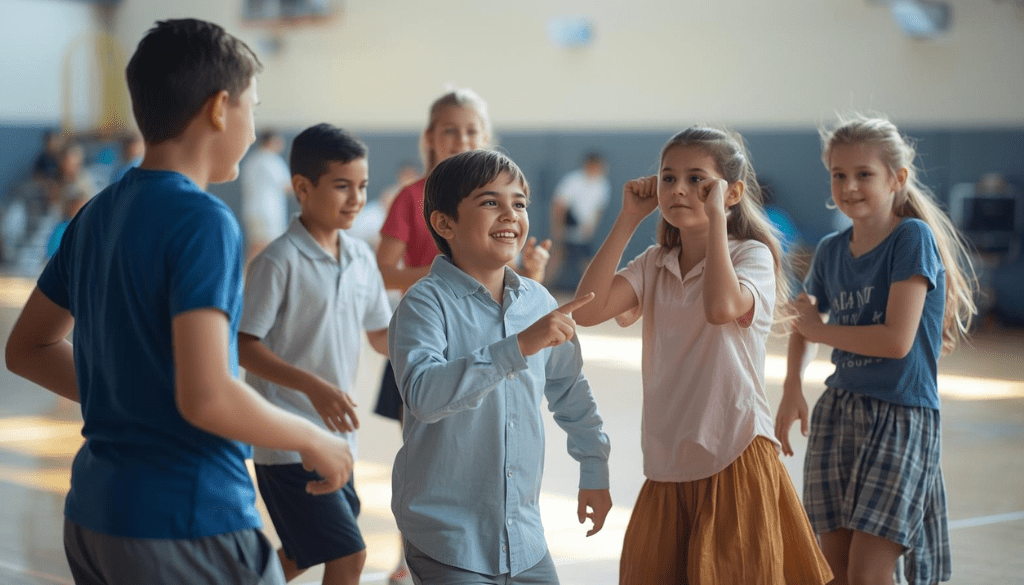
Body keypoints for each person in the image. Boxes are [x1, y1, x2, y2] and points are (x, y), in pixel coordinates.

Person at [4, 18, 354, 584]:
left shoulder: (97, 214)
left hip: (95, 516)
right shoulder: (203, 220)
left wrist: (128, 398)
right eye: (251, 108)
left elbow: (27, 348)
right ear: (219, 109)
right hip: (187, 519)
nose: (252, 127)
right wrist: (313, 437)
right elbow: (208, 396)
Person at [573, 127, 833, 584]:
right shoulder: (654, 263)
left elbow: (720, 309)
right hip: (667, 461)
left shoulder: (751, 256)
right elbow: (587, 310)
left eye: (697, 180)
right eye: (668, 178)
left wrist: (715, 221)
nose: (679, 189)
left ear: (731, 193)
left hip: (733, 452)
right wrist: (628, 219)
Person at [389, 149, 611, 584]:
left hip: (523, 536)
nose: (511, 214)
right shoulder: (424, 303)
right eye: (491, 202)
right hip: (447, 538)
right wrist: (518, 346)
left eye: (520, 203)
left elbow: (571, 391)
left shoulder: (538, 302)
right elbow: (424, 395)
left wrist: (594, 467)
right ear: (444, 223)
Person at [774, 115, 978, 585]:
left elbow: (895, 340)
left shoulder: (911, 238)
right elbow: (804, 322)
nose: (849, 186)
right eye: (838, 174)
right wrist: (791, 388)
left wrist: (820, 331)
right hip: (838, 412)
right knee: (834, 569)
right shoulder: (830, 250)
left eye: (863, 174)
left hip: (901, 414)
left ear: (896, 178)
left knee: (869, 573)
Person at [374, 88, 550, 584]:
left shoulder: (497, 202)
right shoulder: (410, 198)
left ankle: (487, 540)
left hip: (487, 341)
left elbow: (504, 278)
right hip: (428, 339)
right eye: (450, 130)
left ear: (485, 135)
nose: (461, 138)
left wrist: (529, 271)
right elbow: (383, 271)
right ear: (430, 138)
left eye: (472, 130)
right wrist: (448, 274)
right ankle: (420, 550)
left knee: (486, 442)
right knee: (432, 449)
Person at [239, 123, 391, 585]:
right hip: (288, 441)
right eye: (342, 186)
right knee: (349, 555)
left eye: (362, 186)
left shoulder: (361, 258)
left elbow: (382, 335)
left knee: (302, 554)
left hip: (339, 440)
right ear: (303, 188)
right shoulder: (277, 261)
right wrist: (313, 387)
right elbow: (245, 346)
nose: (356, 198)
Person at [548, 151, 611, 291]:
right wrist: (557, 228)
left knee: (586, 260)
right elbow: (559, 205)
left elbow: (598, 209)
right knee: (556, 256)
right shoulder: (573, 180)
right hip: (567, 226)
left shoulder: (603, 185)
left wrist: (592, 227)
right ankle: (542, 286)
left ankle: (592, 290)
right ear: (588, 165)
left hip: (584, 231)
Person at [242, 129, 294, 261]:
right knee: (262, 247)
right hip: (267, 212)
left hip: (253, 210)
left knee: (257, 247)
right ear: (272, 141)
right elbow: (286, 186)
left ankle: (247, 273)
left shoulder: (251, 160)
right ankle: (247, 274)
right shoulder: (271, 160)